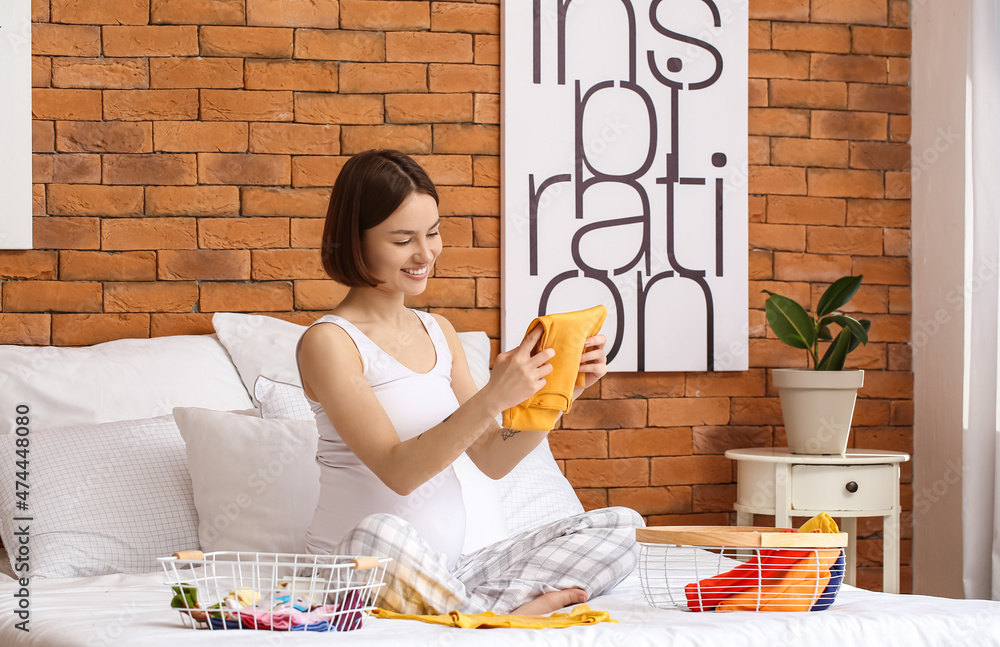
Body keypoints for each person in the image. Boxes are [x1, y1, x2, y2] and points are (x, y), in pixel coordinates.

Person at [295, 149, 643, 616]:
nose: (425, 254)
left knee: (621, 526)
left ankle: (473, 611)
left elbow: (493, 459)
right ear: (354, 242)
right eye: (403, 240)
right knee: (381, 531)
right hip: (360, 569)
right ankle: (500, 613)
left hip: (452, 571)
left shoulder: (439, 332)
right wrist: (493, 395)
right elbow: (400, 473)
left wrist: (561, 390)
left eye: (433, 233)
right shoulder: (329, 343)